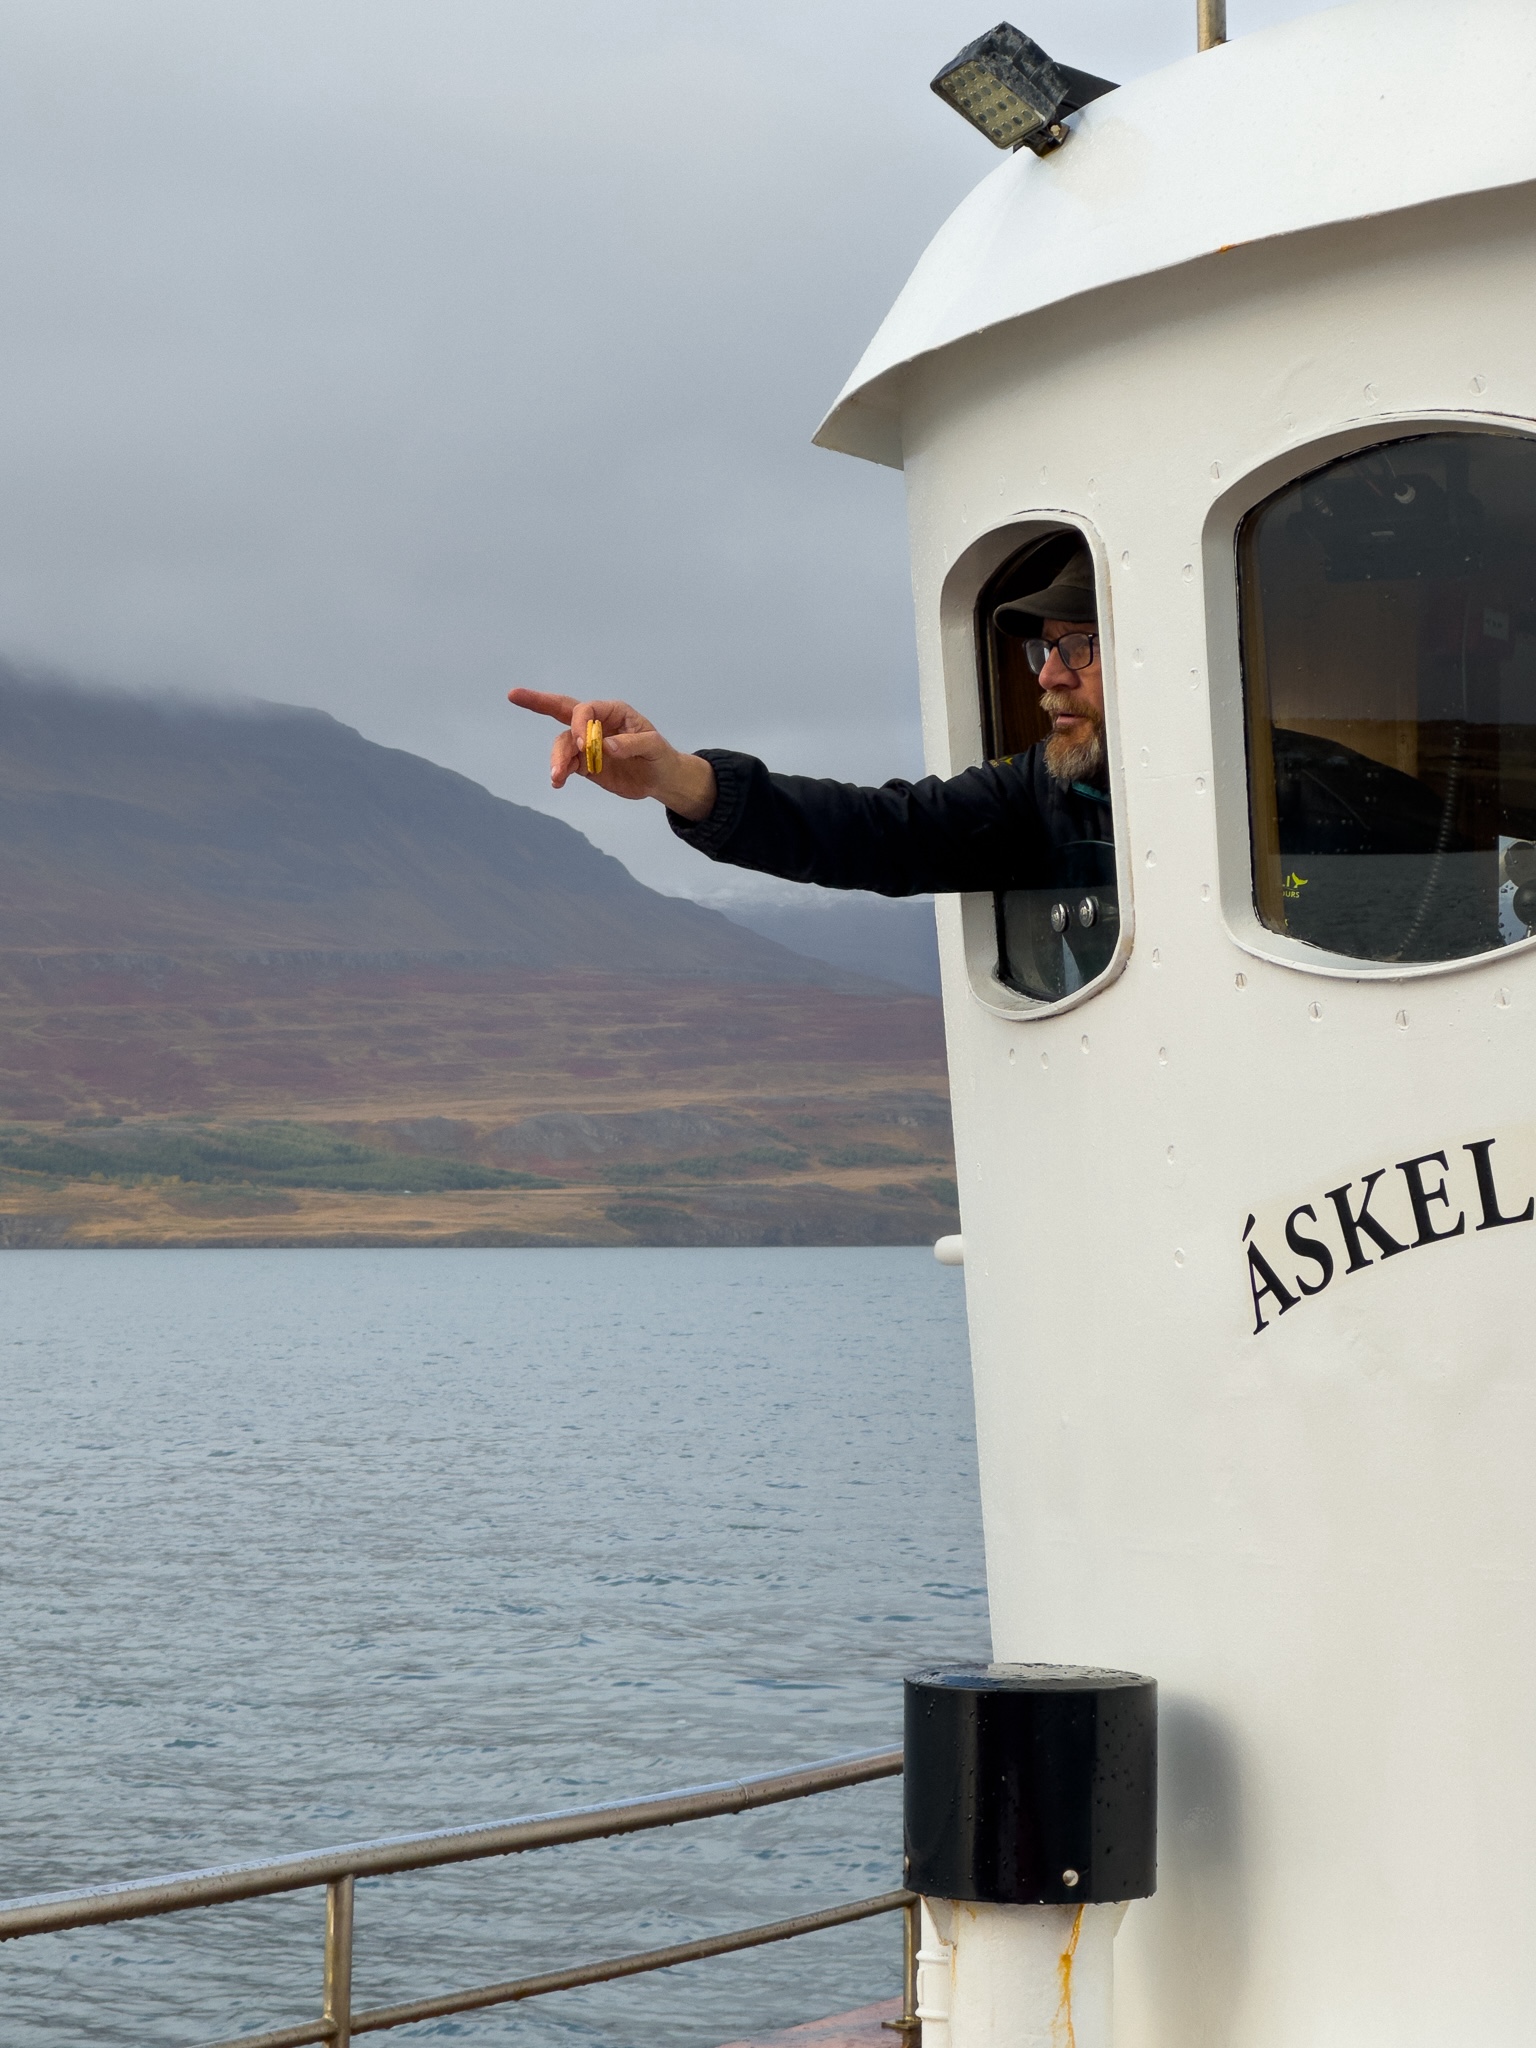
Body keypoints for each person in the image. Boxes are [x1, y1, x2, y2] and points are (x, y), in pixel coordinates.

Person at [507, 548, 1112, 899]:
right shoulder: (1040, 788)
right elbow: (876, 831)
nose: (1049, 676)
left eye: (1080, 645)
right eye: (1046, 650)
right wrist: (674, 777)